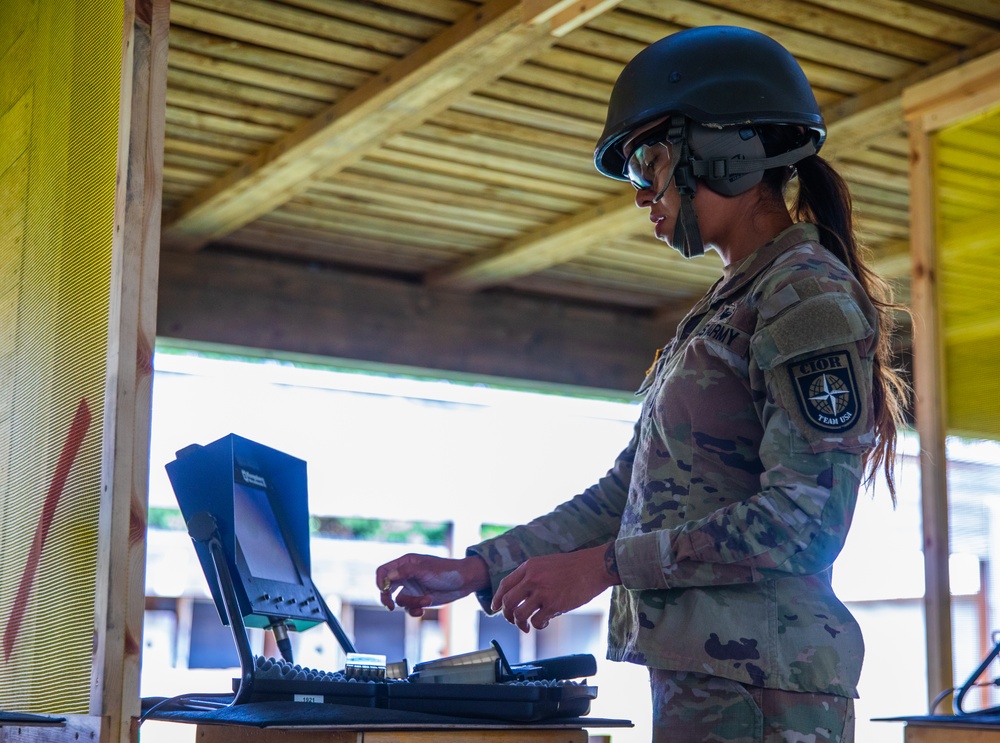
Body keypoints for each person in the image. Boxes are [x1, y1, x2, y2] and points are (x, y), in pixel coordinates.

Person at [375, 25, 908, 743]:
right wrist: (479, 566)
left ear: (726, 151)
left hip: (766, 693)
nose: (640, 193)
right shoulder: (725, 308)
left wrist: (603, 567)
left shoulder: (803, 297)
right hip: (718, 683)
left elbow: (804, 522)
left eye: (646, 162)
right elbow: (624, 497)